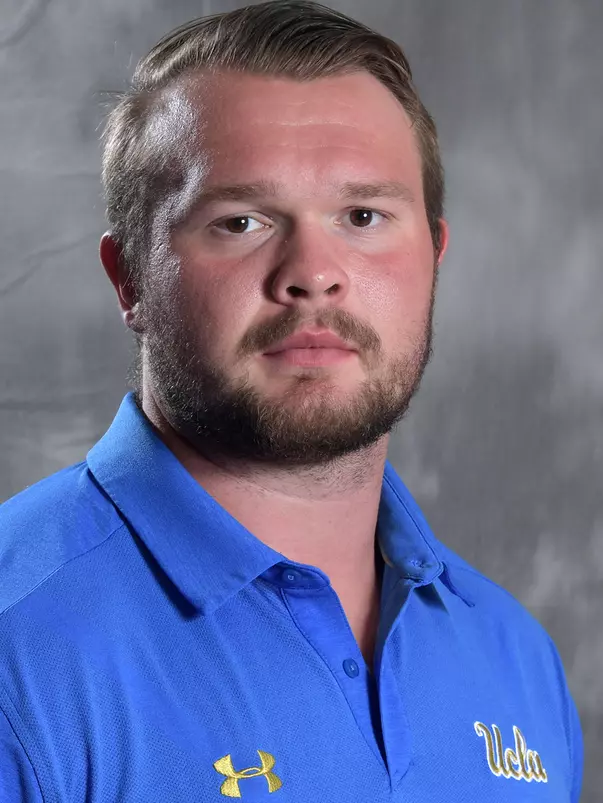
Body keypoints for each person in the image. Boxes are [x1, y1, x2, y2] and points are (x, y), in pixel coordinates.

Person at [0, 1, 583, 800]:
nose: (312, 272)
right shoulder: (19, 647)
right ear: (129, 278)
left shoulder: (515, 659)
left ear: (433, 258)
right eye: (240, 221)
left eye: (363, 216)